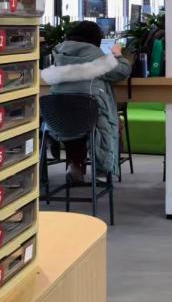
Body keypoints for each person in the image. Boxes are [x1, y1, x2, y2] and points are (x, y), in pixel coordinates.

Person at [41, 20, 132, 182]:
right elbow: (123, 71)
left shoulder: (58, 56)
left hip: (57, 120)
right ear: (96, 39)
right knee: (107, 121)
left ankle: (75, 164)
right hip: (88, 117)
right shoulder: (97, 57)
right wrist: (118, 54)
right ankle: (102, 169)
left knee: (73, 118)